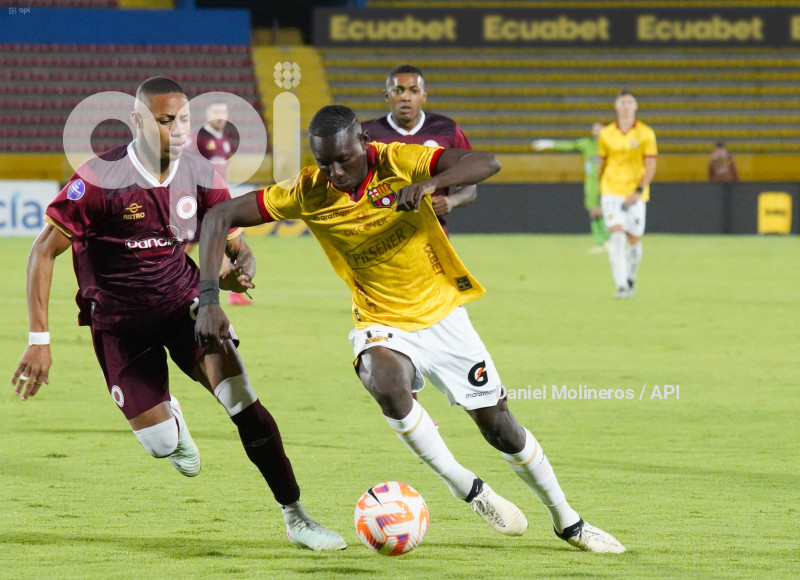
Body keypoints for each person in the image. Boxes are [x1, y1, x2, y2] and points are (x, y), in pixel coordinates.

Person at [196, 105, 627, 553]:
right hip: (380, 320)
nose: (336, 171)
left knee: (500, 428)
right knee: (382, 379)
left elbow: (487, 162)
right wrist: (210, 299)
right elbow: (216, 218)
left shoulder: (398, 160)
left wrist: (430, 183)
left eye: (344, 159)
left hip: (443, 315)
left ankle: (568, 521)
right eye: (325, 162)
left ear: (363, 142)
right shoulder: (309, 191)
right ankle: (466, 487)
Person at [10, 77, 346, 552]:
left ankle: (297, 517)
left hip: (187, 307)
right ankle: (172, 425)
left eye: (183, 119)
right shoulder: (98, 180)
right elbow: (42, 254)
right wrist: (38, 341)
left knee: (244, 403)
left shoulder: (201, 173)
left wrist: (238, 267)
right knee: (162, 445)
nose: (178, 130)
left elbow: (231, 236)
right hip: (120, 326)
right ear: (137, 122)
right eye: (166, 121)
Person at [361, 64, 476, 234]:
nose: (406, 97)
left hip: (432, 232)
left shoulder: (447, 130)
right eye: (398, 90)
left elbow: (470, 184)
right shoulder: (366, 134)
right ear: (387, 95)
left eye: (413, 91)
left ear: (424, 95)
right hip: (382, 233)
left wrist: (452, 200)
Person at [185, 101, 251, 305]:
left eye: (224, 112)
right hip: (198, 200)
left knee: (225, 241)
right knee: (186, 244)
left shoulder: (224, 141)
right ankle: (160, 277)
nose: (220, 116)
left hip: (217, 201)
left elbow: (224, 171)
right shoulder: (196, 139)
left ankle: (234, 292)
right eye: (216, 112)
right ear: (207, 114)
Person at [597, 90, 657, 299]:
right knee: (617, 236)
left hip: (635, 193)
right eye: (622, 102)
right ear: (616, 106)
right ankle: (621, 285)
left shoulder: (646, 133)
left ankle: (631, 277)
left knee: (634, 240)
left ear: (636, 107)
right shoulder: (606, 134)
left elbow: (650, 164)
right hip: (611, 190)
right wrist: (600, 190)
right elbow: (601, 164)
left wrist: (639, 190)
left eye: (630, 102)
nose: (626, 106)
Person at [533, 123, 610, 254]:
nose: (596, 131)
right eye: (594, 129)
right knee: (593, 212)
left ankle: (609, 241)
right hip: (591, 183)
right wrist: (550, 144)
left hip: (607, 182)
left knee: (604, 211)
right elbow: (570, 145)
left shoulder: (610, 145)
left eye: (599, 129)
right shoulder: (587, 144)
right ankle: (600, 243)